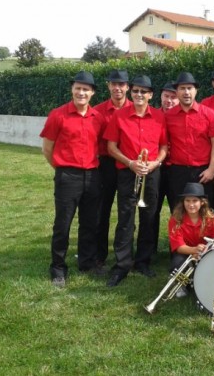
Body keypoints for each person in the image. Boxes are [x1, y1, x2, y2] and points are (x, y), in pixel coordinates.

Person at [103, 75, 168, 287]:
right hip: (127, 172)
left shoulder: (159, 117)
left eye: (143, 92)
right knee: (126, 219)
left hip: (151, 172)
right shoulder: (119, 115)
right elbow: (111, 147)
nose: (139, 95)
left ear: (151, 95)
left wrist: (155, 163)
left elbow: (164, 147)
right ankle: (122, 265)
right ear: (131, 93)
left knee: (149, 218)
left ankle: (143, 262)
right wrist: (130, 163)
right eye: (136, 91)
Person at [40, 71, 103, 287]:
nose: (81, 93)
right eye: (78, 88)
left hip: (92, 176)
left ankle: (87, 263)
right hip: (67, 176)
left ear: (92, 93)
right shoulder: (58, 115)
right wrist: (62, 169)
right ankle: (58, 267)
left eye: (86, 89)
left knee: (89, 223)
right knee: (63, 224)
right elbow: (47, 149)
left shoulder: (98, 118)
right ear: (72, 90)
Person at [165, 72, 214, 210]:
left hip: (202, 172)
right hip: (177, 171)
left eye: (189, 88)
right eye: (182, 88)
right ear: (176, 92)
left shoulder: (209, 114)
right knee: (178, 210)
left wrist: (211, 169)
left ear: (196, 90)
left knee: (205, 211)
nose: (186, 92)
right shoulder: (168, 116)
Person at [94, 69, 131, 268]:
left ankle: (124, 254)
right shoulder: (98, 111)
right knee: (102, 210)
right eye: (114, 84)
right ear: (108, 86)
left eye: (121, 84)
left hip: (128, 165)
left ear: (127, 87)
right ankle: (99, 254)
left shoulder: (136, 108)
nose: (117, 88)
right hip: (106, 164)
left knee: (127, 212)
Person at [168, 182, 214, 298]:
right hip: (186, 254)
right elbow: (179, 247)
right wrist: (194, 251)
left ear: (202, 202)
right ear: (183, 202)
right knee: (177, 263)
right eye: (187, 201)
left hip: (207, 254)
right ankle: (181, 284)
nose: (191, 204)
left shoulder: (212, 220)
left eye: (195, 201)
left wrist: (204, 253)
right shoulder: (175, 219)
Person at [152, 81, 180, 255]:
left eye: (173, 97)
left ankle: (176, 249)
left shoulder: (180, 116)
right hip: (155, 168)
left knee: (177, 209)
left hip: (175, 168)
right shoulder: (153, 116)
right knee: (152, 209)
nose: (169, 100)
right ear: (160, 96)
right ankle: (150, 249)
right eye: (166, 96)